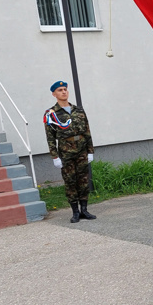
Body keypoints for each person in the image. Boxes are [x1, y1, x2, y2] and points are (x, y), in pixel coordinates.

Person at [44, 81, 96, 224]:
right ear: (54, 94)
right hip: (66, 152)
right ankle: (75, 212)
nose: (63, 92)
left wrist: (90, 151)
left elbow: (87, 131)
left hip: (81, 151)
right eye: (60, 90)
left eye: (65, 89)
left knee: (83, 181)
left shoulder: (79, 110)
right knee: (70, 181)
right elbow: (50, 137)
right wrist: (55, 156)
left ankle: (84, 209)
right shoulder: (51, 113)